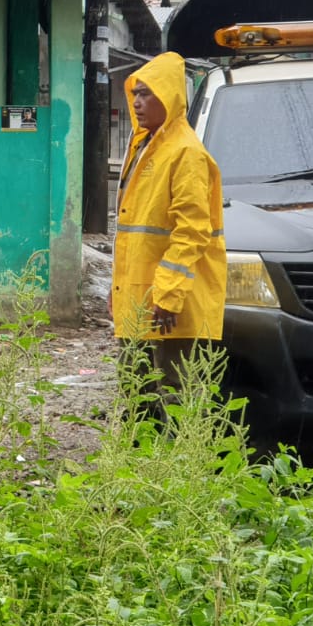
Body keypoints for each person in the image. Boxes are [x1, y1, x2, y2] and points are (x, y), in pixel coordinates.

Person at [110, 51, 226, 395]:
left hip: (169, 303)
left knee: (173, 392)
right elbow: (135, 232)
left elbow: (192, 232)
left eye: (146, 94)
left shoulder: (184, 153)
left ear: (170, 97)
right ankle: (134, 451)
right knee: (136, 389)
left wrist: (169, 294)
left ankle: (174, 451)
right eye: (135, 94)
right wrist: (119, 291)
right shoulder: (145, 146)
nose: (138, 102)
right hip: (144, 299)